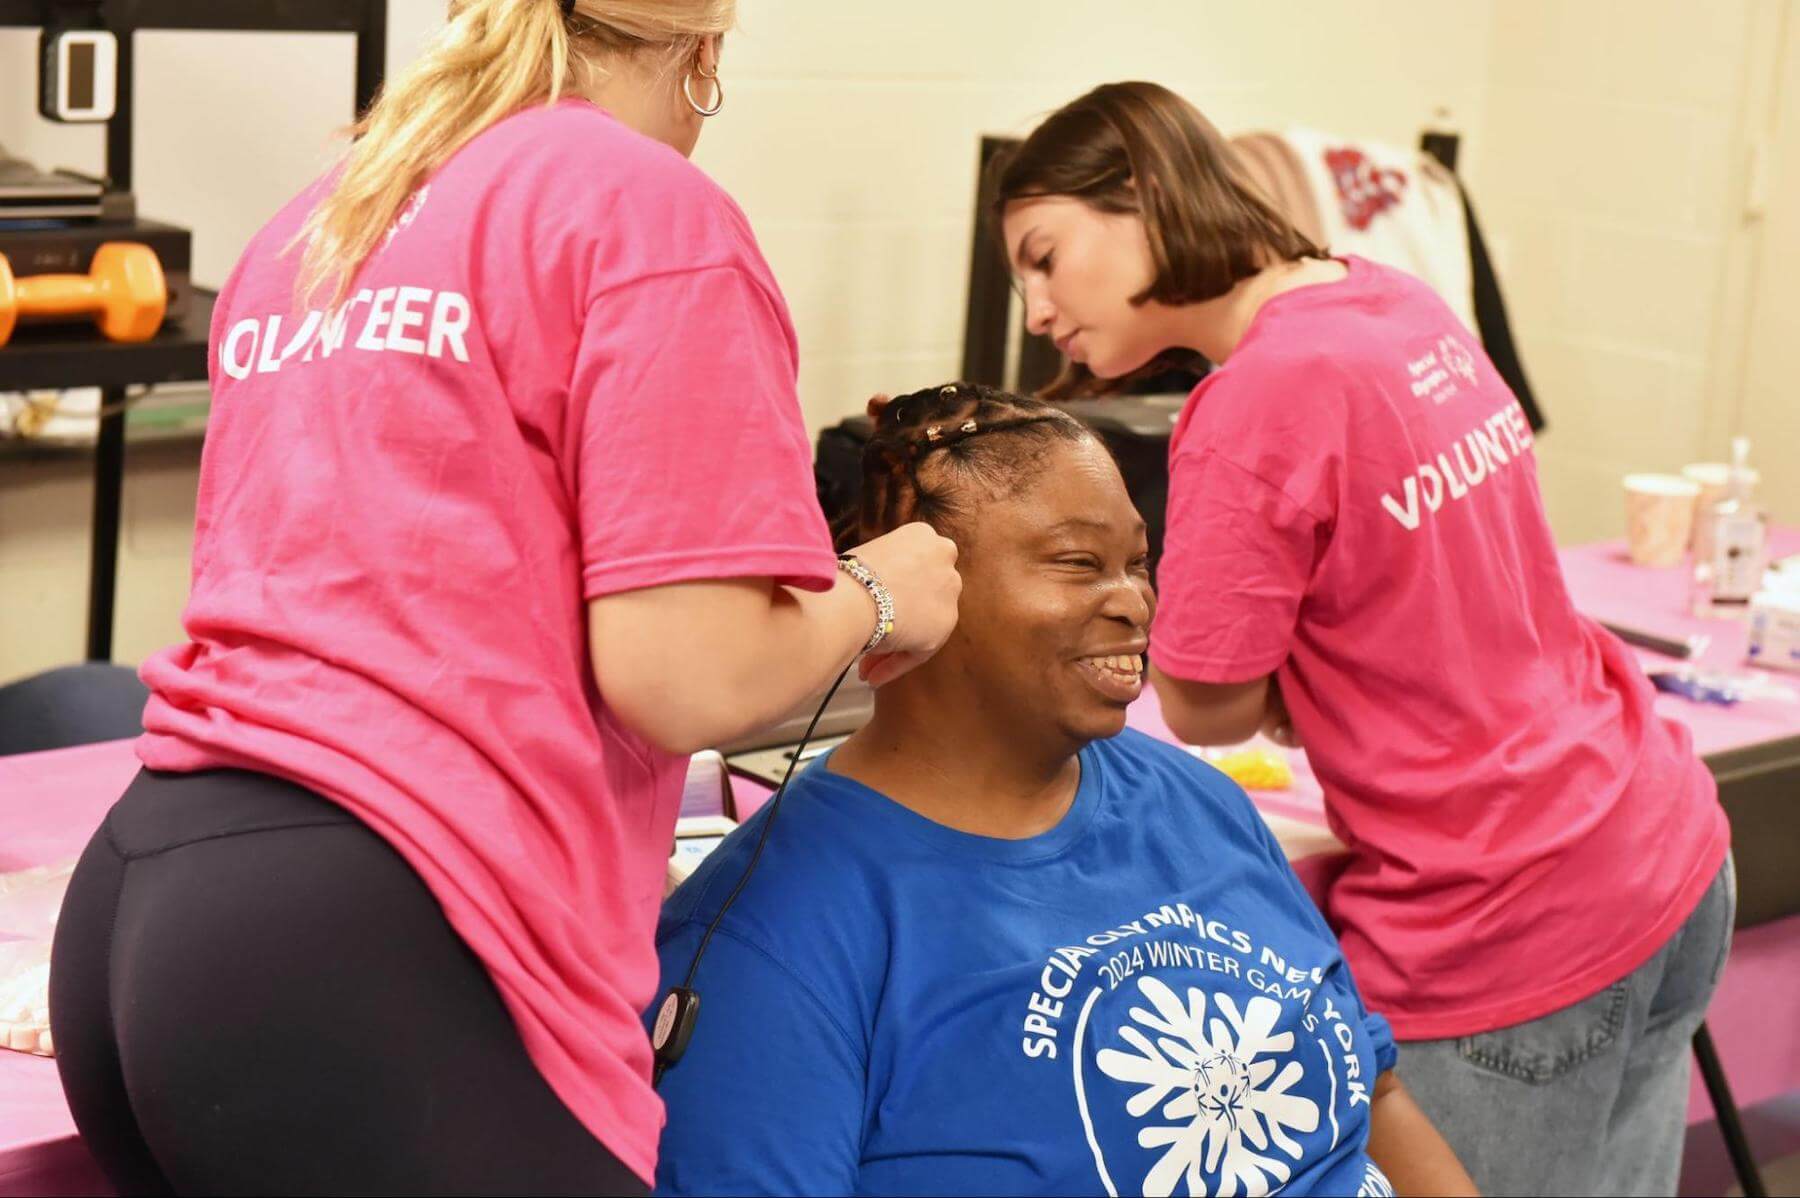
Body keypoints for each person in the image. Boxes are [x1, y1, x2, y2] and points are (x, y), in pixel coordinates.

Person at [47, 2, 961, 1193]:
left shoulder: (330, 214)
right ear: (705, 58)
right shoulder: (647, 209)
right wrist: (876, 595)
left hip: (156, 899)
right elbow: (683, 671)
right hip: (394, 924)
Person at [994, 80, 1733, 1196]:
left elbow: (1205, 704)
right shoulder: (1393, 301)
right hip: (1660, 842)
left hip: (1516, 911)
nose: (1039, 311)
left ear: (1144, 193)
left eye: (1044, 257)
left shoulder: (1249, 403)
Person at [652, 383, 1474, 1197]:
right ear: (924, 592)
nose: (1135, 601)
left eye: (1137, 563)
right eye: (1080, 563)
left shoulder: (1191, 798)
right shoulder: (777, 939)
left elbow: (1378, 1087)